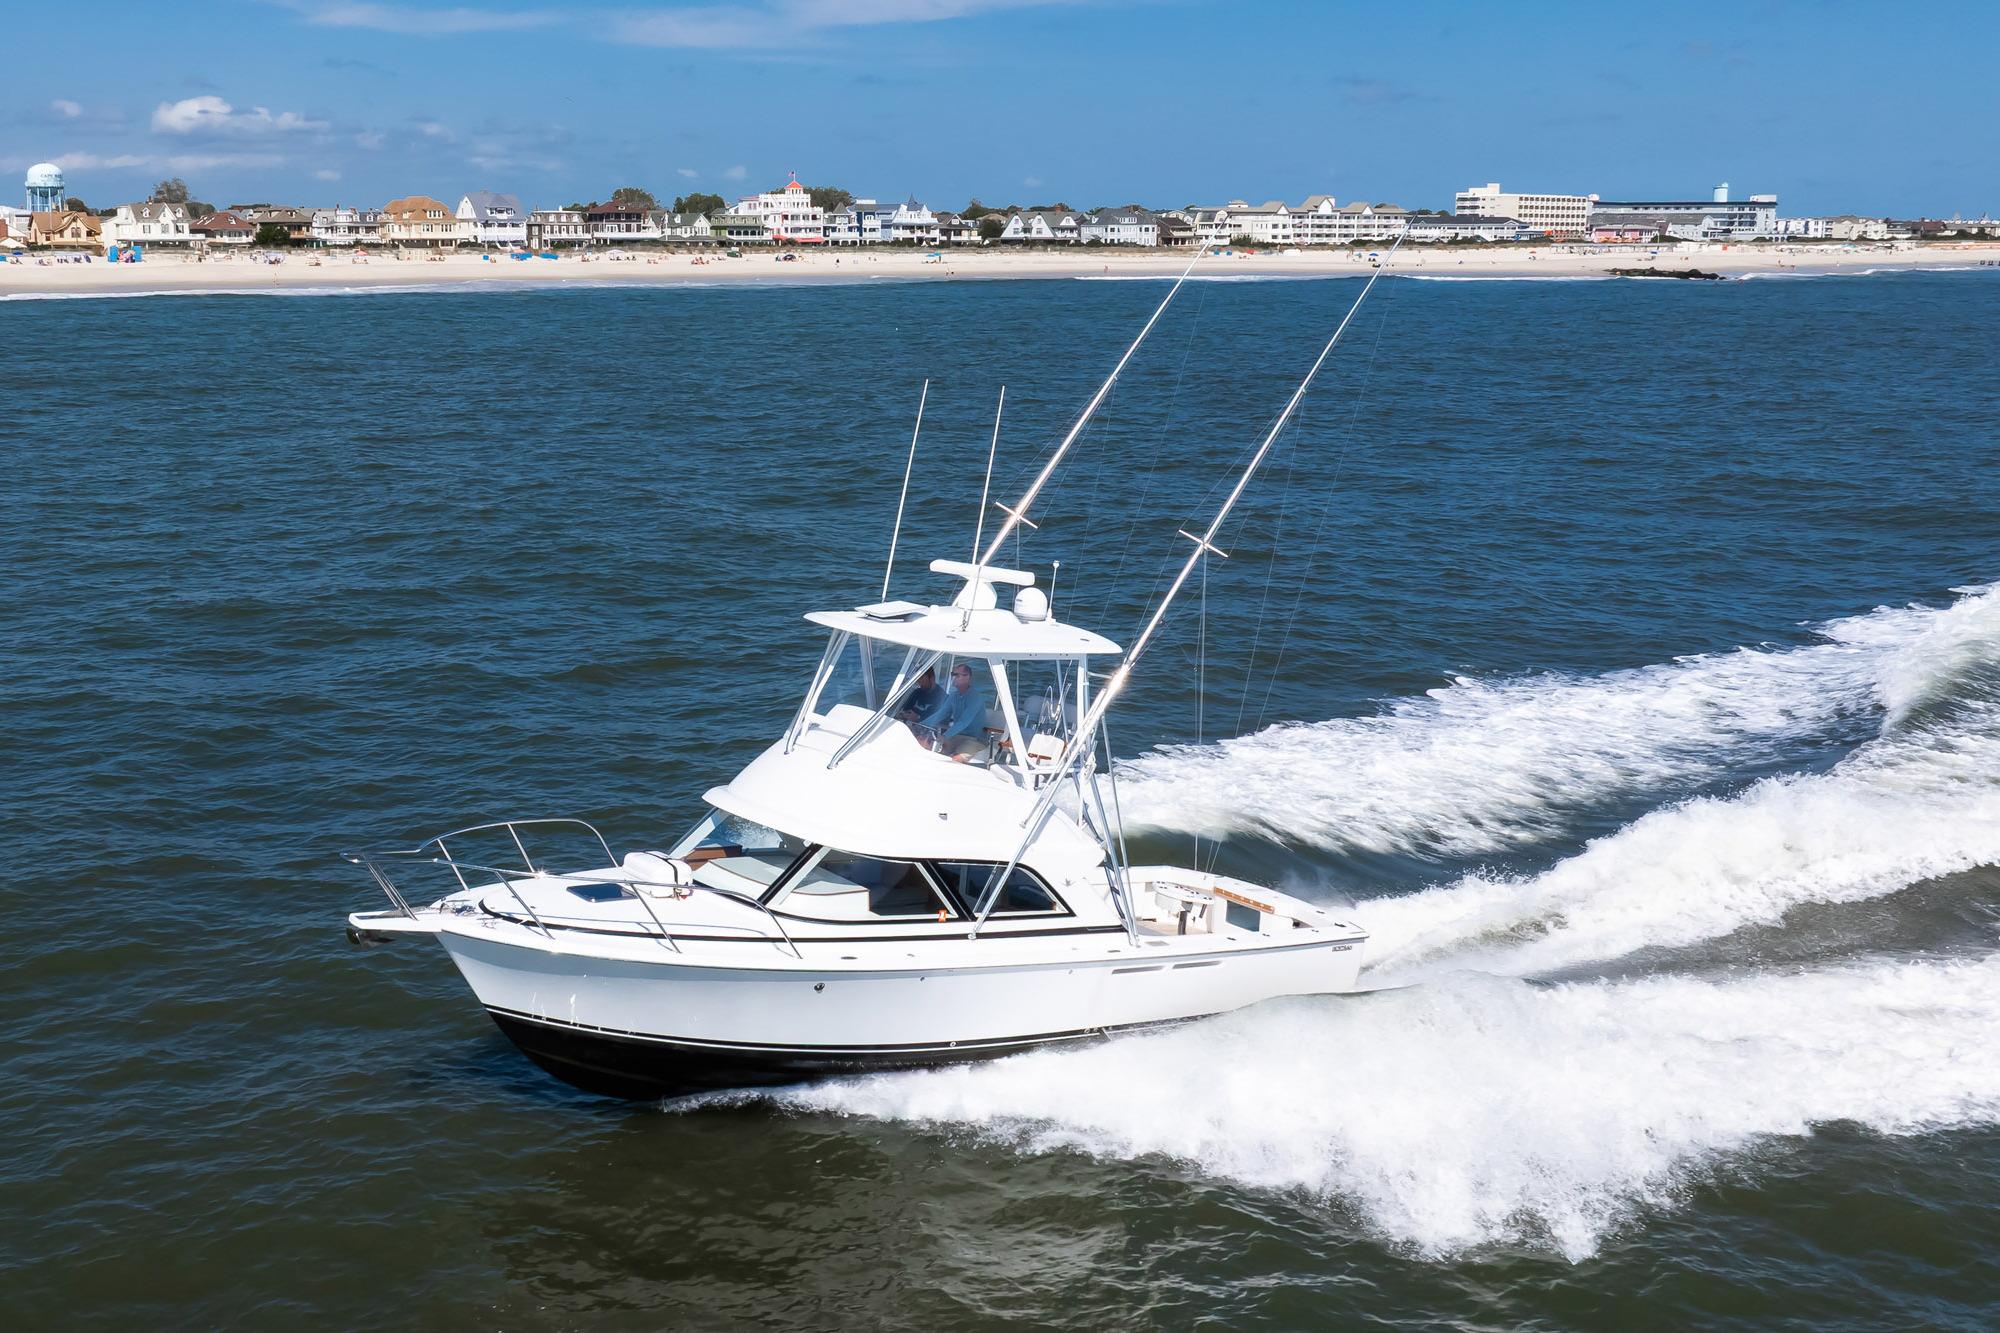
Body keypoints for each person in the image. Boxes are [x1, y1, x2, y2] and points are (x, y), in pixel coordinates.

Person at [918, 662, 987, 758]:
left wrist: (944, 736)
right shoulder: (953, 696)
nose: (953, 677)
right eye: (952, 674)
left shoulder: (975, 697)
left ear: (967, 677)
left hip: (973, 740)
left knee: (956, 758)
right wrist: (921, 725)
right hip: (955, 736)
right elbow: (940, 714)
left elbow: (963, 722)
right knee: (929, 748)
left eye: (956, 675)